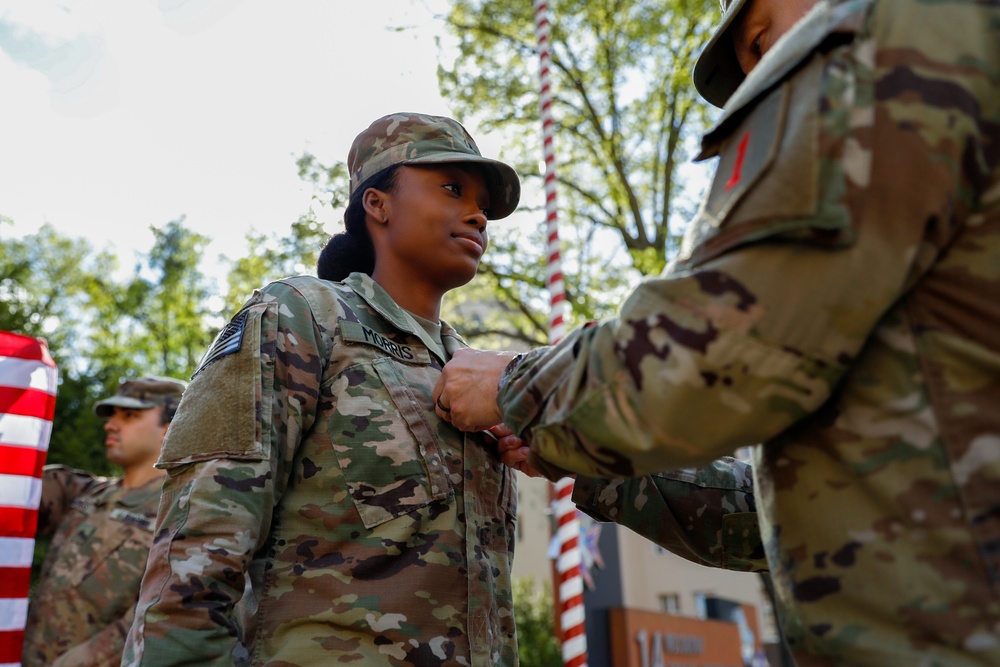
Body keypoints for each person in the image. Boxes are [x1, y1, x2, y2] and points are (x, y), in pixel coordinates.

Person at [433, 0, 1000, 664]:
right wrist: (587, 462)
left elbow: (710, 349)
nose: (768, 81)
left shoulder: (884, 36)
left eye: (761, 45)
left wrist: (515, 385)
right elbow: (802, 521)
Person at [122, 112, 522, 667]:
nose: (477, 214)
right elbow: (200, 546)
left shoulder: (478, 375)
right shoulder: (301, 317)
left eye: (483, 203)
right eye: (452, 188)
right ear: (376, 204)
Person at [22, 376, 186, 667]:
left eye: (130, 415)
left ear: (170, 428)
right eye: (112, 416)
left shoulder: (180, 513)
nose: (110, 425)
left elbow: (168, 612)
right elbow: (18, 490)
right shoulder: (84, 492)